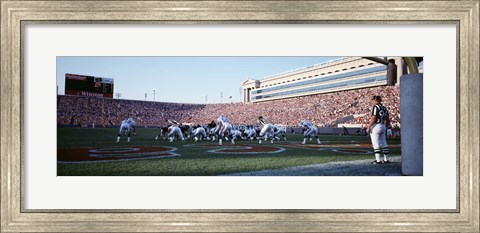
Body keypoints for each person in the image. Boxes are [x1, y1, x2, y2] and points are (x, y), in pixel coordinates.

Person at [366, 95, 391, 164]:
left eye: (372, 100)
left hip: (376, 126)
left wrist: (368, 127)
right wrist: (386, 126)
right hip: (383, 125)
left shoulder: (375, 107)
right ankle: (386, 159)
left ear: (375, 100)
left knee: (375, 143)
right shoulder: (384, 107)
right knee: (384, 142)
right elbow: (388, 118)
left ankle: (378, 160)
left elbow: (374, 118)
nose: (372, 101)